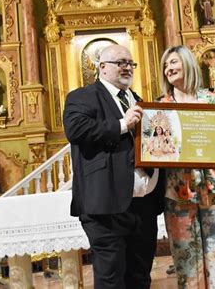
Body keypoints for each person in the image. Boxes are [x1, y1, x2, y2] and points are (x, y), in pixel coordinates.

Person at [63, 44, 164, 289]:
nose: (127, 67)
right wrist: (122, 124)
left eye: (131, 63)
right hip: (105, 206)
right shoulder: (82, 96)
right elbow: (76, 130)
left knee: (140, 277)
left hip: (144, 205)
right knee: (111, 279)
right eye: (121, 62)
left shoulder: (139, 100)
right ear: (103, 67)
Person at [158, 45, 215, 288]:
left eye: (173, 62)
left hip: (212, 188)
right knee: (186, 259)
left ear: (187, 64)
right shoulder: (161, 105)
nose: (169, 68)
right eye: (166, 65)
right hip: (178, 191)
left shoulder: (211, 100)